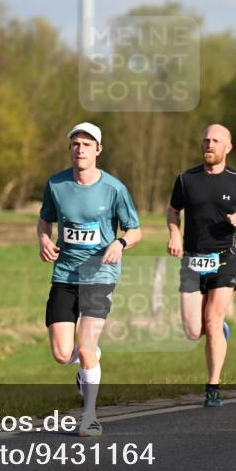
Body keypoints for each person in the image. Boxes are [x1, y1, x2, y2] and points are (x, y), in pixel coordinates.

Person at [38, 122, 141, 437]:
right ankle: (89, 361)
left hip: (100, 273)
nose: (80, 149)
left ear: (98, 149)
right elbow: (45, 220)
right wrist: (43, 239)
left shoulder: (113, 189)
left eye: (86, 144)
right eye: (75, 144)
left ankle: (90, 416)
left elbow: (134, 229)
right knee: (61, 353)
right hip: (65, 273)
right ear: (70, 149)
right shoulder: (56, 184)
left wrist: (119, 243)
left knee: (85, 348)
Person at [167, 124, 236, 408]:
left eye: (215, 141)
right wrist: (174, 232)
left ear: (227, 147)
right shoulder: (186, 180)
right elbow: (174, 211)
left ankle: (213, 387)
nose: (209, 144)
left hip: (224, 259)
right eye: (206, 140)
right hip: (192, 262)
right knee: (193, 331)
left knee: (212, 319)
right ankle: (220, 331)